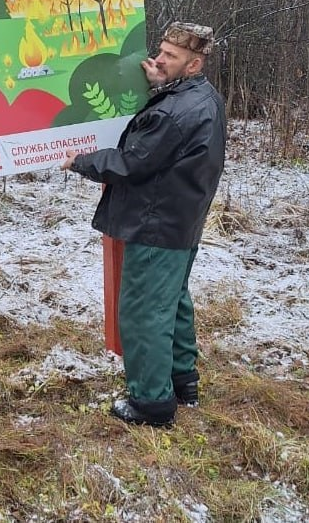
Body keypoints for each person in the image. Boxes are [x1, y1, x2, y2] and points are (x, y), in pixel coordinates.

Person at [60, 22, 226, 428]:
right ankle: (182, 381)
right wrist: (160, 83)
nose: (159, 58)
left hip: (156, 222)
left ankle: (151, 403)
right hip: (180, 219)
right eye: (162, 50)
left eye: (171, 56)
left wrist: (80, 160)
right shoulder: (202, 97)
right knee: (173, 302)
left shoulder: (176, 111)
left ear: (194, 64)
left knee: (142, 311)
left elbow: (132, 162)